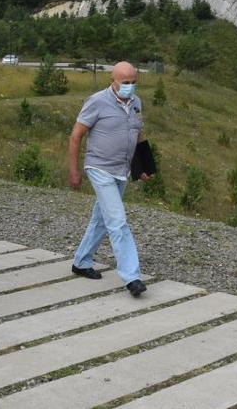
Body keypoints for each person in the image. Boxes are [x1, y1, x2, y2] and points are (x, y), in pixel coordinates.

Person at [68, 61, 150, 297]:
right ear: (112, 81)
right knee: (117, 221)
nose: (131, 87)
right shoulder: (97, 101)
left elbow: (136, 134)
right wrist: (74, 171)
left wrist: (142, 167)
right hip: (99, 167)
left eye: (134, 82)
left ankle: (82, 262)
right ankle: (132, 277)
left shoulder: (136, 103)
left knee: (102, 218)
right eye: (126, 83)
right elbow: (75, 136)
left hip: (121, 170)